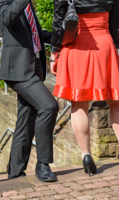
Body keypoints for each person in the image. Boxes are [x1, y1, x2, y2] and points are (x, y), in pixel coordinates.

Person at [0, 0, 59, 182]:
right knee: (49, 107)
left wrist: (60, 37)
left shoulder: (27, 4)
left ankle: (15, 172)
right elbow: (7, 18)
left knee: (25, 120)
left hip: (34, 66)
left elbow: (34, 34)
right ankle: (43, 164)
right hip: (18, 70)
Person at [50, 1, 119, 174]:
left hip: (76, 44)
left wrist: (54, 51)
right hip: (104, 42)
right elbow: (116, 20)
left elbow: (58, 18)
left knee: (78, 103)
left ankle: (86, 155)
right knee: (115, 102)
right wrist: (115, 46)